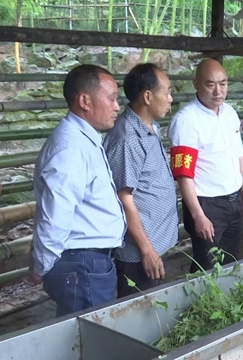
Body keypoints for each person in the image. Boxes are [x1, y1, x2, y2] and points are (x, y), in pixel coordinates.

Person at [23, 64, 127, 318]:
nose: (117, 106)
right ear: (84, 101)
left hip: (87, 262)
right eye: (112, 98)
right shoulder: (71, 147)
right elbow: (55, 214)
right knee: (88, 340)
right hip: (81, 264)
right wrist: (42, 264)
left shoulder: (84, 138)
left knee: (85, 336)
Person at [168, 59, 243, 273]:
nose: (218, 91)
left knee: (230, 262)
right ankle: (200, 305)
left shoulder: (230, 113)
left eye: (223, 84)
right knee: (205, 267)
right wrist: (198, 215)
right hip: (207, 205)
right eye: (210, 84)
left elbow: (239, 156)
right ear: (196, 83)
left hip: (234, 200)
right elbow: (183, 175)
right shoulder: (186, 121)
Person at [103, 63, 179, 298]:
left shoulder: (150, 126)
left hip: (155, 241)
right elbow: (123, 197)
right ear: (148, 96)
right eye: (166, 92)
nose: (170, 98)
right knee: (141, 311)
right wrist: (146, 250)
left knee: (155, 304)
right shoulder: (127, 137)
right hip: (140, 252)